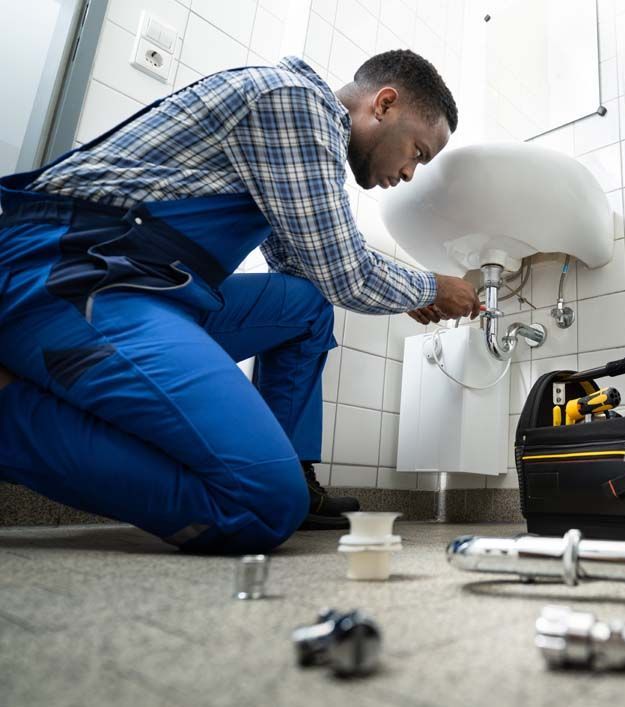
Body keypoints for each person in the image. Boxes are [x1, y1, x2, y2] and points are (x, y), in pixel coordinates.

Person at [0, 49, 479, 553]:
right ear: (383, 105)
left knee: (306, 306)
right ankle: (12, 420)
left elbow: (308, 271)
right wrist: (431, 286)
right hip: (69, 275)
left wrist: (391, 291)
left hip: (152, 285)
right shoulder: (298, 104)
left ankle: (293, 471)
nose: (408, 173)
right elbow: (345, 271)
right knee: (264, 505)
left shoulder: (296, 127)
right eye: (417, 153)